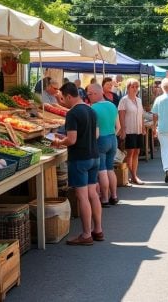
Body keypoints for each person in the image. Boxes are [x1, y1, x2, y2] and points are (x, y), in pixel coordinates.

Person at [50, 82, 103, 246]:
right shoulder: (91, 110)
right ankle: (98, 230)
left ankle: (86, 234)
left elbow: (71, 140)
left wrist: (59, 142)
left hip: (80, 158)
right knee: (93, 194)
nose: (62, 102)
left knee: (82, 196)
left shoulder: (72, 114)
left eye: (62, 98)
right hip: (94, 156)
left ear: (68, 96)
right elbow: (95, 135)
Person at [87, 84, 120, 207]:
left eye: (89, 94)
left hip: (101, 140)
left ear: (96, 93)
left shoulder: (93, 108)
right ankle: (114, 196)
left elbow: (95, 133)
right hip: (112, 138)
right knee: (110, 169)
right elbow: (119, 127)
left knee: (102, 170)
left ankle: (105, 198)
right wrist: (112, 135)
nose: (88, 96)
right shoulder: (112, 105)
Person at [118, 78, 146, 184]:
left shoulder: (138, 100)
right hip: (129, 130)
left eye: (136, 87)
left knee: (137, 152)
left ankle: (133, 175)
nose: (135, 89)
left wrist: (143, 127)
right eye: (132, 87)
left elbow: (141, 115)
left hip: (138, 129)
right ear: (128, 88)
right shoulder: (124, 100)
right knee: (130, 152)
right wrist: (123, 129)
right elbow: (121, 116)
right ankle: (132, 176)